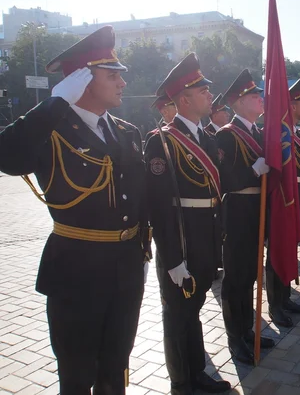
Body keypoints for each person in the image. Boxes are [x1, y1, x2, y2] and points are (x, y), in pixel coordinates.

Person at [0, 26, 152, 394]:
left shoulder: (127, 132)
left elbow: (142, 198)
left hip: (126, 270)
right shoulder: (52, 131)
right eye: (112, 74)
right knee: (77, 376)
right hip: (77, 273)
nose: (121, 83)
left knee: (115, 370)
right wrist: (54, 103)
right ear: (82, 80)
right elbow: (7, 155)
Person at [144, 53, 230, 394]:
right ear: (184, 99)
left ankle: (196, 373)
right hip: (180, 243)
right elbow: (159, 207)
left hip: (205, 240)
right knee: (177, 314)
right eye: (203, 90)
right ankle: (181, 381)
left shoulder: (206, 139)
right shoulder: (161, 141)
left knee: (192, 310)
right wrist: (172, 258)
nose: (210, 95)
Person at [216, 69, 273, 364]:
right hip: (237, 212)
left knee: (251, 275)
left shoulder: (259, 133)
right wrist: (253, 171)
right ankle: (234, 337)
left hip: (256, 212)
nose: (260, 99)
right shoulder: (225, 136)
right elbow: (223, 179)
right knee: (235, 278)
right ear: (238, 102)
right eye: (254, 96)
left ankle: (248, 329)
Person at [265, 79, 300, 328]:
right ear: (291, 106)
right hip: (281, 201)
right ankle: (275, 305)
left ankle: (285, 297)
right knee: (276, 253)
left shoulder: (294, 134)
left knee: (289, 248)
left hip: (296, 197)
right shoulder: (279, 134)